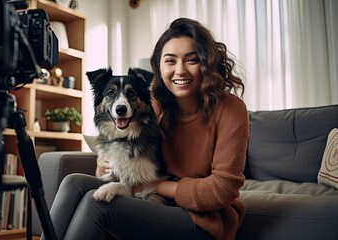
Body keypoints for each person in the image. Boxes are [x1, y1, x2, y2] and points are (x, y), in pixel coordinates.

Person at [41, 17, 248, 240]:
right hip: (154, 202)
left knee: (101, 207)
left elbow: (222, 190)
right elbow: (118, 169)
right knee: (74, 182)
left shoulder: (230, 109)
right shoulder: (152, 106)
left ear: (206, 63)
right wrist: (105, 164)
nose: (180, 70)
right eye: (170, 61)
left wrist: (157, 186)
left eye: (192, 60)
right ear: (159, 66)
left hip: (204, 221)